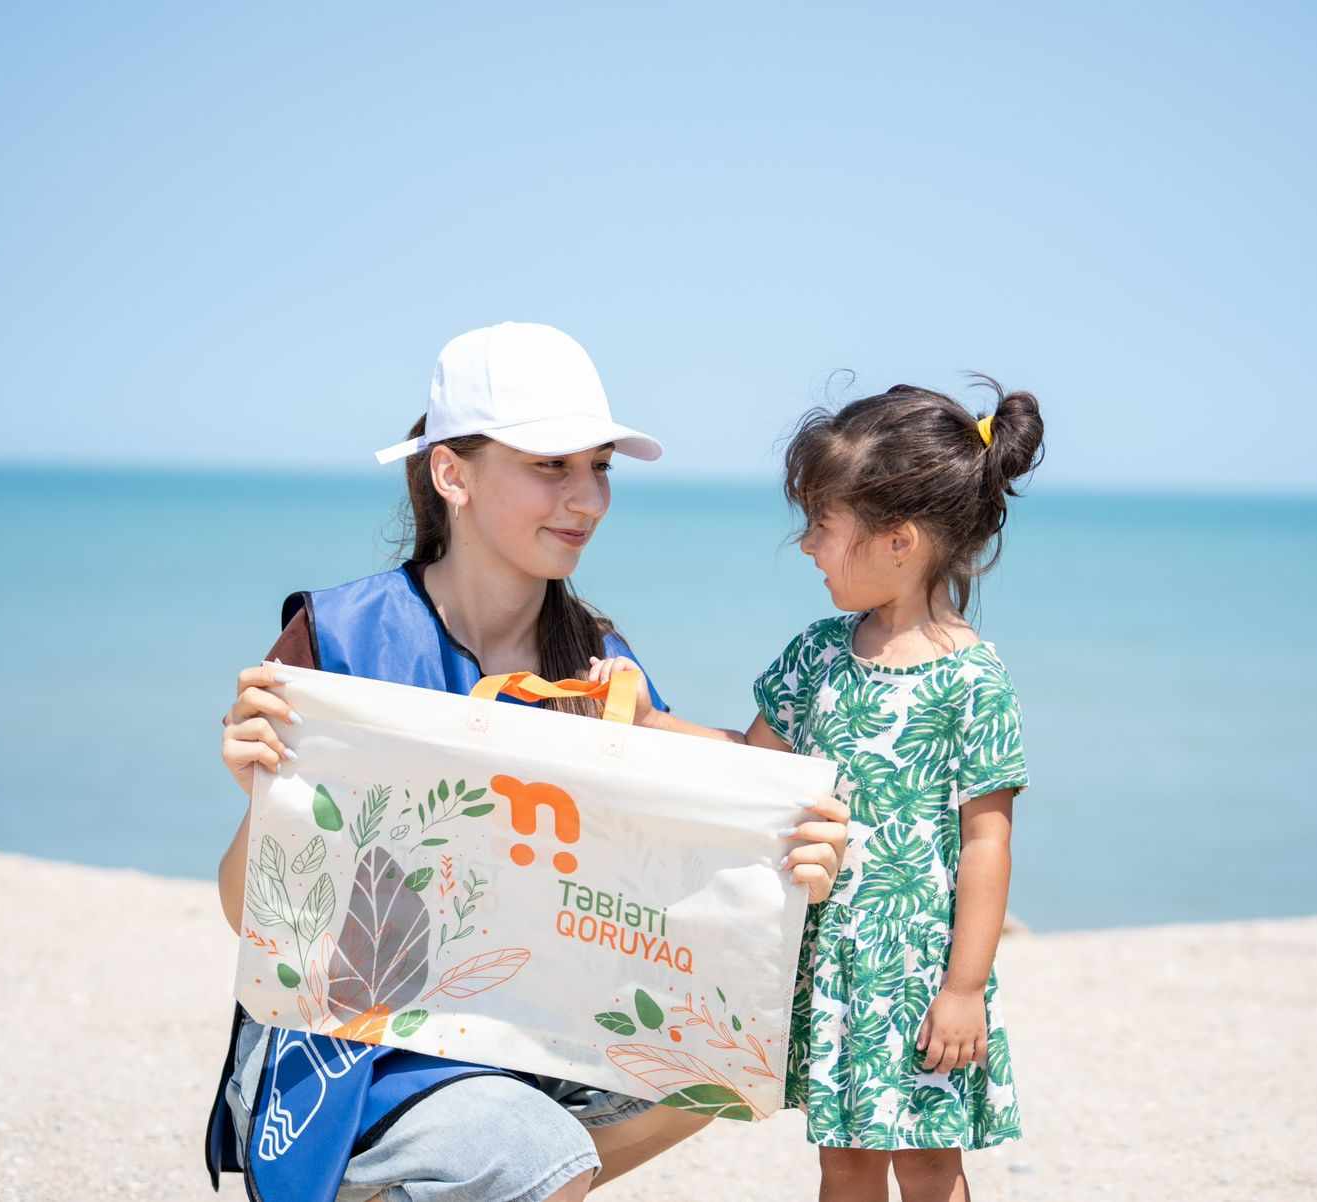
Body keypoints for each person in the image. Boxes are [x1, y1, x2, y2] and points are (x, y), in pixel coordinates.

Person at [204, 321, 850, 1202]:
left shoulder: (599, 664)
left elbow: (675, 885)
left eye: (600, 467)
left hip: (523, 1036)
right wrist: (261, 797)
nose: (589, 499)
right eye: (551, 465)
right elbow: (251, 917)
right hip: (347, 1053)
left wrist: (794, 853)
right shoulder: (339, 641)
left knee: (718, 1064)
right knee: (528, 1146)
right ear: (452, 474)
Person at [590, 378, 1044, 1202]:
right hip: (830, 962)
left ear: (898, 541)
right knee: (843, 1159)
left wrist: (964, 989)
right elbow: (752, 762)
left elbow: (988, 841)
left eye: (823, 526)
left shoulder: (973, 679)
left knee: (930, 1161)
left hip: (921, 971)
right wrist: (650, 721)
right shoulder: (819, 654)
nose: (806, 545)